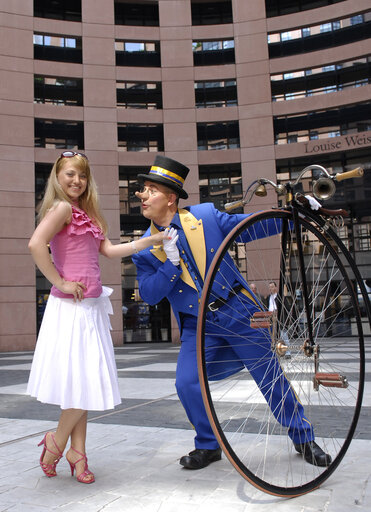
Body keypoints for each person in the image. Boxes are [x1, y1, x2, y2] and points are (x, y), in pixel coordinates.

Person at [132, 155, 331, 470]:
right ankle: (209, 445)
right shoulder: (144, 247)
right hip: (199, 326)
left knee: (269, 376)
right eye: (142, 189)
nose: (141, 195)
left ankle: (303, 437)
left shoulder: (205, 217)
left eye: (151, 190)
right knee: (186, 383)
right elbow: (150, 294)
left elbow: (249, 227)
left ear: (170, 198)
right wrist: (170, 263)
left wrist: (292, 214)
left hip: (239, 311)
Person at [27, 151, 169, 483]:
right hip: (71, 307)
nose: (76, 181)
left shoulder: (85, 213)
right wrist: (59, 281)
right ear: (58, 178)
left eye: (82, 176)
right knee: (86, 380)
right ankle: (57, 442)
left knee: (83, 381)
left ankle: (78, 454)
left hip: (90, 305)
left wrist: (149, 240)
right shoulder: (61, 208)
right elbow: (36, 244)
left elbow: (109, 252)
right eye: (70, 174)